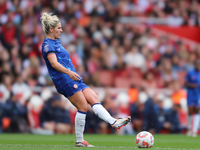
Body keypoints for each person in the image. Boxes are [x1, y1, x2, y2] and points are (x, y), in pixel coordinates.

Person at [40, 12, 131, 147]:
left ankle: (113, 122)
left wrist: (71, 73)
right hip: (64, 79)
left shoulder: (56, 42)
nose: (62, 30)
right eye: (59, 28)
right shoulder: (48, 45)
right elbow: (53, 63)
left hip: (73, 78)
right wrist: (68, 72)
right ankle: (79, 140)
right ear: (51, 29)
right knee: (82, 106)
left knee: (94, 98)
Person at [185, 59, 200, 137]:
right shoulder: (190, 73)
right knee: (190, 110)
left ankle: (194, 131)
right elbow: (185, 83)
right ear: (194, 64)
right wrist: (191, 85)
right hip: (191, 94)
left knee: (197, 110)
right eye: (197, 64)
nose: (198, 65)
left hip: (198, 95)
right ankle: (189, 128)